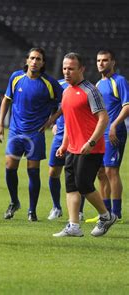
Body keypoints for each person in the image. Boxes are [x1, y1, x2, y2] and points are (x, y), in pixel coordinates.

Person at [53, 52, 117, 237]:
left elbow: (103, 118)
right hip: (73, 148)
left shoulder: (91, 90)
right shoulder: (66, 92)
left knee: (83, 184)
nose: (66, 72)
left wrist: (92, 141)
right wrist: (64, 145)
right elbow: (69, 123)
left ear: (81, 69)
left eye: (71, 69)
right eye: (64, 68)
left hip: (91, 148)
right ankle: (74, 226)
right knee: (71, 186)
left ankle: (106, 216)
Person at [0, 47, 63, 221]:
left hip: (35, 134)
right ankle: (14, 202)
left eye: (38, 59)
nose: (34, 62)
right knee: (10, 167)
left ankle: (32, 210)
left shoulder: (49, 83)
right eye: (32, 58)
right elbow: (6, 101)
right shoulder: (16, 77)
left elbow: (64, 103)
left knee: (33, 171)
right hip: (16, 132)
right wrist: (0, 125)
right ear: (27, 60)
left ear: (43, 63)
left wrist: (51, 120)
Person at [85, 49, 129, 223]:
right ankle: (106, 212)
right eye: (98, 60)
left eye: (105, 60)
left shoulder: (119, 81)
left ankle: (116, 213)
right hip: (100, 134)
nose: (101, 63)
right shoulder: (97, 84)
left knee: (112, 171)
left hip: (114, 133)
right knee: (101, 173)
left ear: (113, 63)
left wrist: (114, 125)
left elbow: (127, 106)